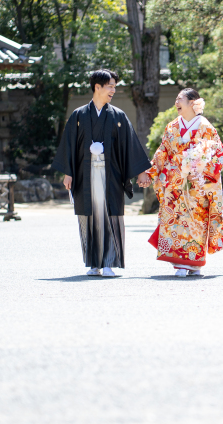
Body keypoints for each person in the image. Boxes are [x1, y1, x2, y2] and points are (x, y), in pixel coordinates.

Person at [52, 69, 152, 277]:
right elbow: (69, 146)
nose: (113, 90)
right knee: (88, 217)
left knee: (110, 215)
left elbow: (130, 144)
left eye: (114, 86)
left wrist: (141, 172)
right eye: (110, 86)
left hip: (111, 175)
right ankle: (93, 263)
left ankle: (109, 262)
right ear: (97, 87)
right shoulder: (79, 115)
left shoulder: (118, 116)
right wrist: (68, 172)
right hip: (84, 175)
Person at [138, 88, 223, 277]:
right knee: (176, 221)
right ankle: (180, 263)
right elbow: (163, 151)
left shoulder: (206, 127)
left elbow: (217, 152)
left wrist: (202, 169)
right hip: (175, 183)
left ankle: (195, 262)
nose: (176, 103)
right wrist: (148, 172)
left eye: (179, 99)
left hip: (197, 183)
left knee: (196, 221)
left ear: (192, 103)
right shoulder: (172, 126)